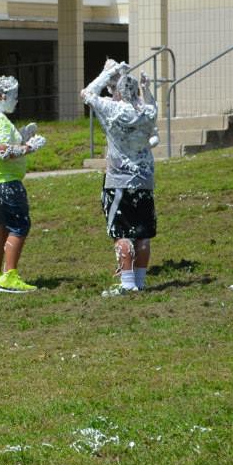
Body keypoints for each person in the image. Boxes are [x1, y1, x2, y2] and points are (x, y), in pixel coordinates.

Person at [81, 61, 159, 296]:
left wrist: (107, 73)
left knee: (122, 233)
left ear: (119, 92)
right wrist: (147, 89)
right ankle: (140, 282)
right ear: (136, 92)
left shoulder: (113, 110)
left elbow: (87, 93)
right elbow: (152, 105)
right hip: (144, 180)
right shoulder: (147, 113)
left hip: (119, 181)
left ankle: (127, 283)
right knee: (142, 233)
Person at [0, 75, 46, 293]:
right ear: (1, 96)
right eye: (13, 96)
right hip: (1, 180)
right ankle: (9, 276)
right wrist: (30, 147)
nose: (16, 100)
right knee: (19, 225)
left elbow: (0, 144)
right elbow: (3, 152)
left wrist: (21, 136)